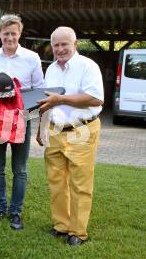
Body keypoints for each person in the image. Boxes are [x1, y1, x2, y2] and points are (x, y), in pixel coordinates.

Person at [37, 26, 104, 245]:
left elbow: (95, 99)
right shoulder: (51, 69)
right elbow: (48, 102)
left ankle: (77, 232)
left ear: (75, 44)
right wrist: (41, 129)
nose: (60, 49)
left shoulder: (88, 66)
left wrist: (62, 100)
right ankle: (61, 226)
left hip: (82, 130)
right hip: (56, 130)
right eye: (56, 45)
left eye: (64, 44)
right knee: (56, 181)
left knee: (80, 184)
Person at [0, 14, 44, 229]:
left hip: (21, 117)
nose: (9, 37)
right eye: (5, 33)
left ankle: (16, 212)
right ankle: (0, 208)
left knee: (20, 168)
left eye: (13, 33)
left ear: (20, 33)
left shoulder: (32, 57)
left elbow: (39, 90)